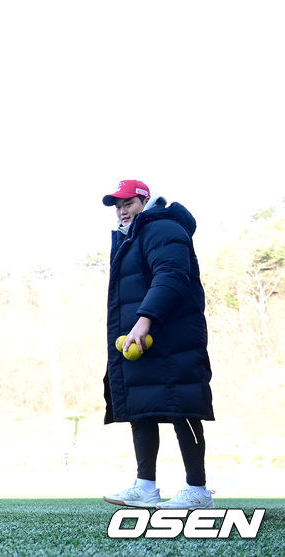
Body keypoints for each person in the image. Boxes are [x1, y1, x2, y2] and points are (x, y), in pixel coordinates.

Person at [99, 179, 215, 510]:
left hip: (172, 335)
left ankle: (198, 490)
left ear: (145, 201)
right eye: (118, 206)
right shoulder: (130, 238)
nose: (122, 211)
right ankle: (145, 486)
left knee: (184, 409)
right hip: (140, 339)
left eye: (129, 204)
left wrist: (144, 319)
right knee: (143, 408)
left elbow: (171, 276)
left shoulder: (162, 228)